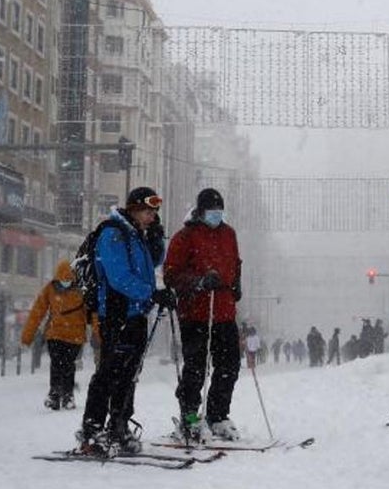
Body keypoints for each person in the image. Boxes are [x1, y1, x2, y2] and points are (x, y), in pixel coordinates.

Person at [76, 187, 170, 455]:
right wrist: (150, 292)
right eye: (148, 211)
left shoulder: (135, 235)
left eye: (154, 212)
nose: (152, 216)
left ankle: (118, 425)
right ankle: (92, 430)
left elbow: (152, 262)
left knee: (129, 374)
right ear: (134, 209)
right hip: (116, 314)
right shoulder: (113, 233)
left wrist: (155, 237)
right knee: (109, 373)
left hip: (136, 313)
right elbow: (119, 277)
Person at [164, 187, 243, 442]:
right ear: (200, 211)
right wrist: (199, 281)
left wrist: (236, 284)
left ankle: (218, 416)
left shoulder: (229, 234)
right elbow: (171, 274)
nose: (217, 216)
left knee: (229, 365)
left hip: (224, 312)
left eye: (220, 212)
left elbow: (236, 263)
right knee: (196, 368)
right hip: (196, 313)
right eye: (212, 212)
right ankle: (189, 417)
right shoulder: (185, 237)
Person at [21, 259, 98, 410]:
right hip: (67, 336)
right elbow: (92, 314)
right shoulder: (77, 291)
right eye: (64, 280)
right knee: (65, 365)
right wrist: (27, 335)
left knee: (60, 364)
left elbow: (37, 312)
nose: (65, 282)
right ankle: (65, 396)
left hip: (63, 336)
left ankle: (56, 394)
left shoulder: (55, 289)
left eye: (68, 279)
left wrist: (28, 335)